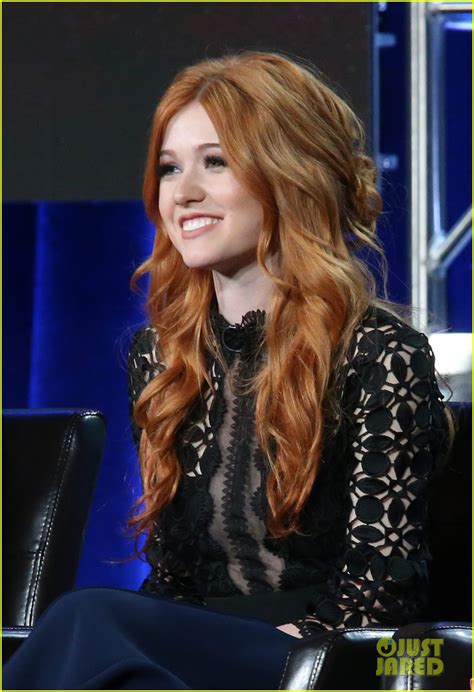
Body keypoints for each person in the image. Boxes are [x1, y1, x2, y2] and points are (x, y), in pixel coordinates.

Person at [3, 51, 450, 690]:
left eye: (216, 162)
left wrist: (282, 643)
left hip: (317, 654)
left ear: (290, 174)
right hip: (196, 654)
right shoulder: (162, 357)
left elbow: (383, 586)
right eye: (169, 168)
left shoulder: (379, 353)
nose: (182, 192)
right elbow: (174, 578)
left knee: (86, 616)